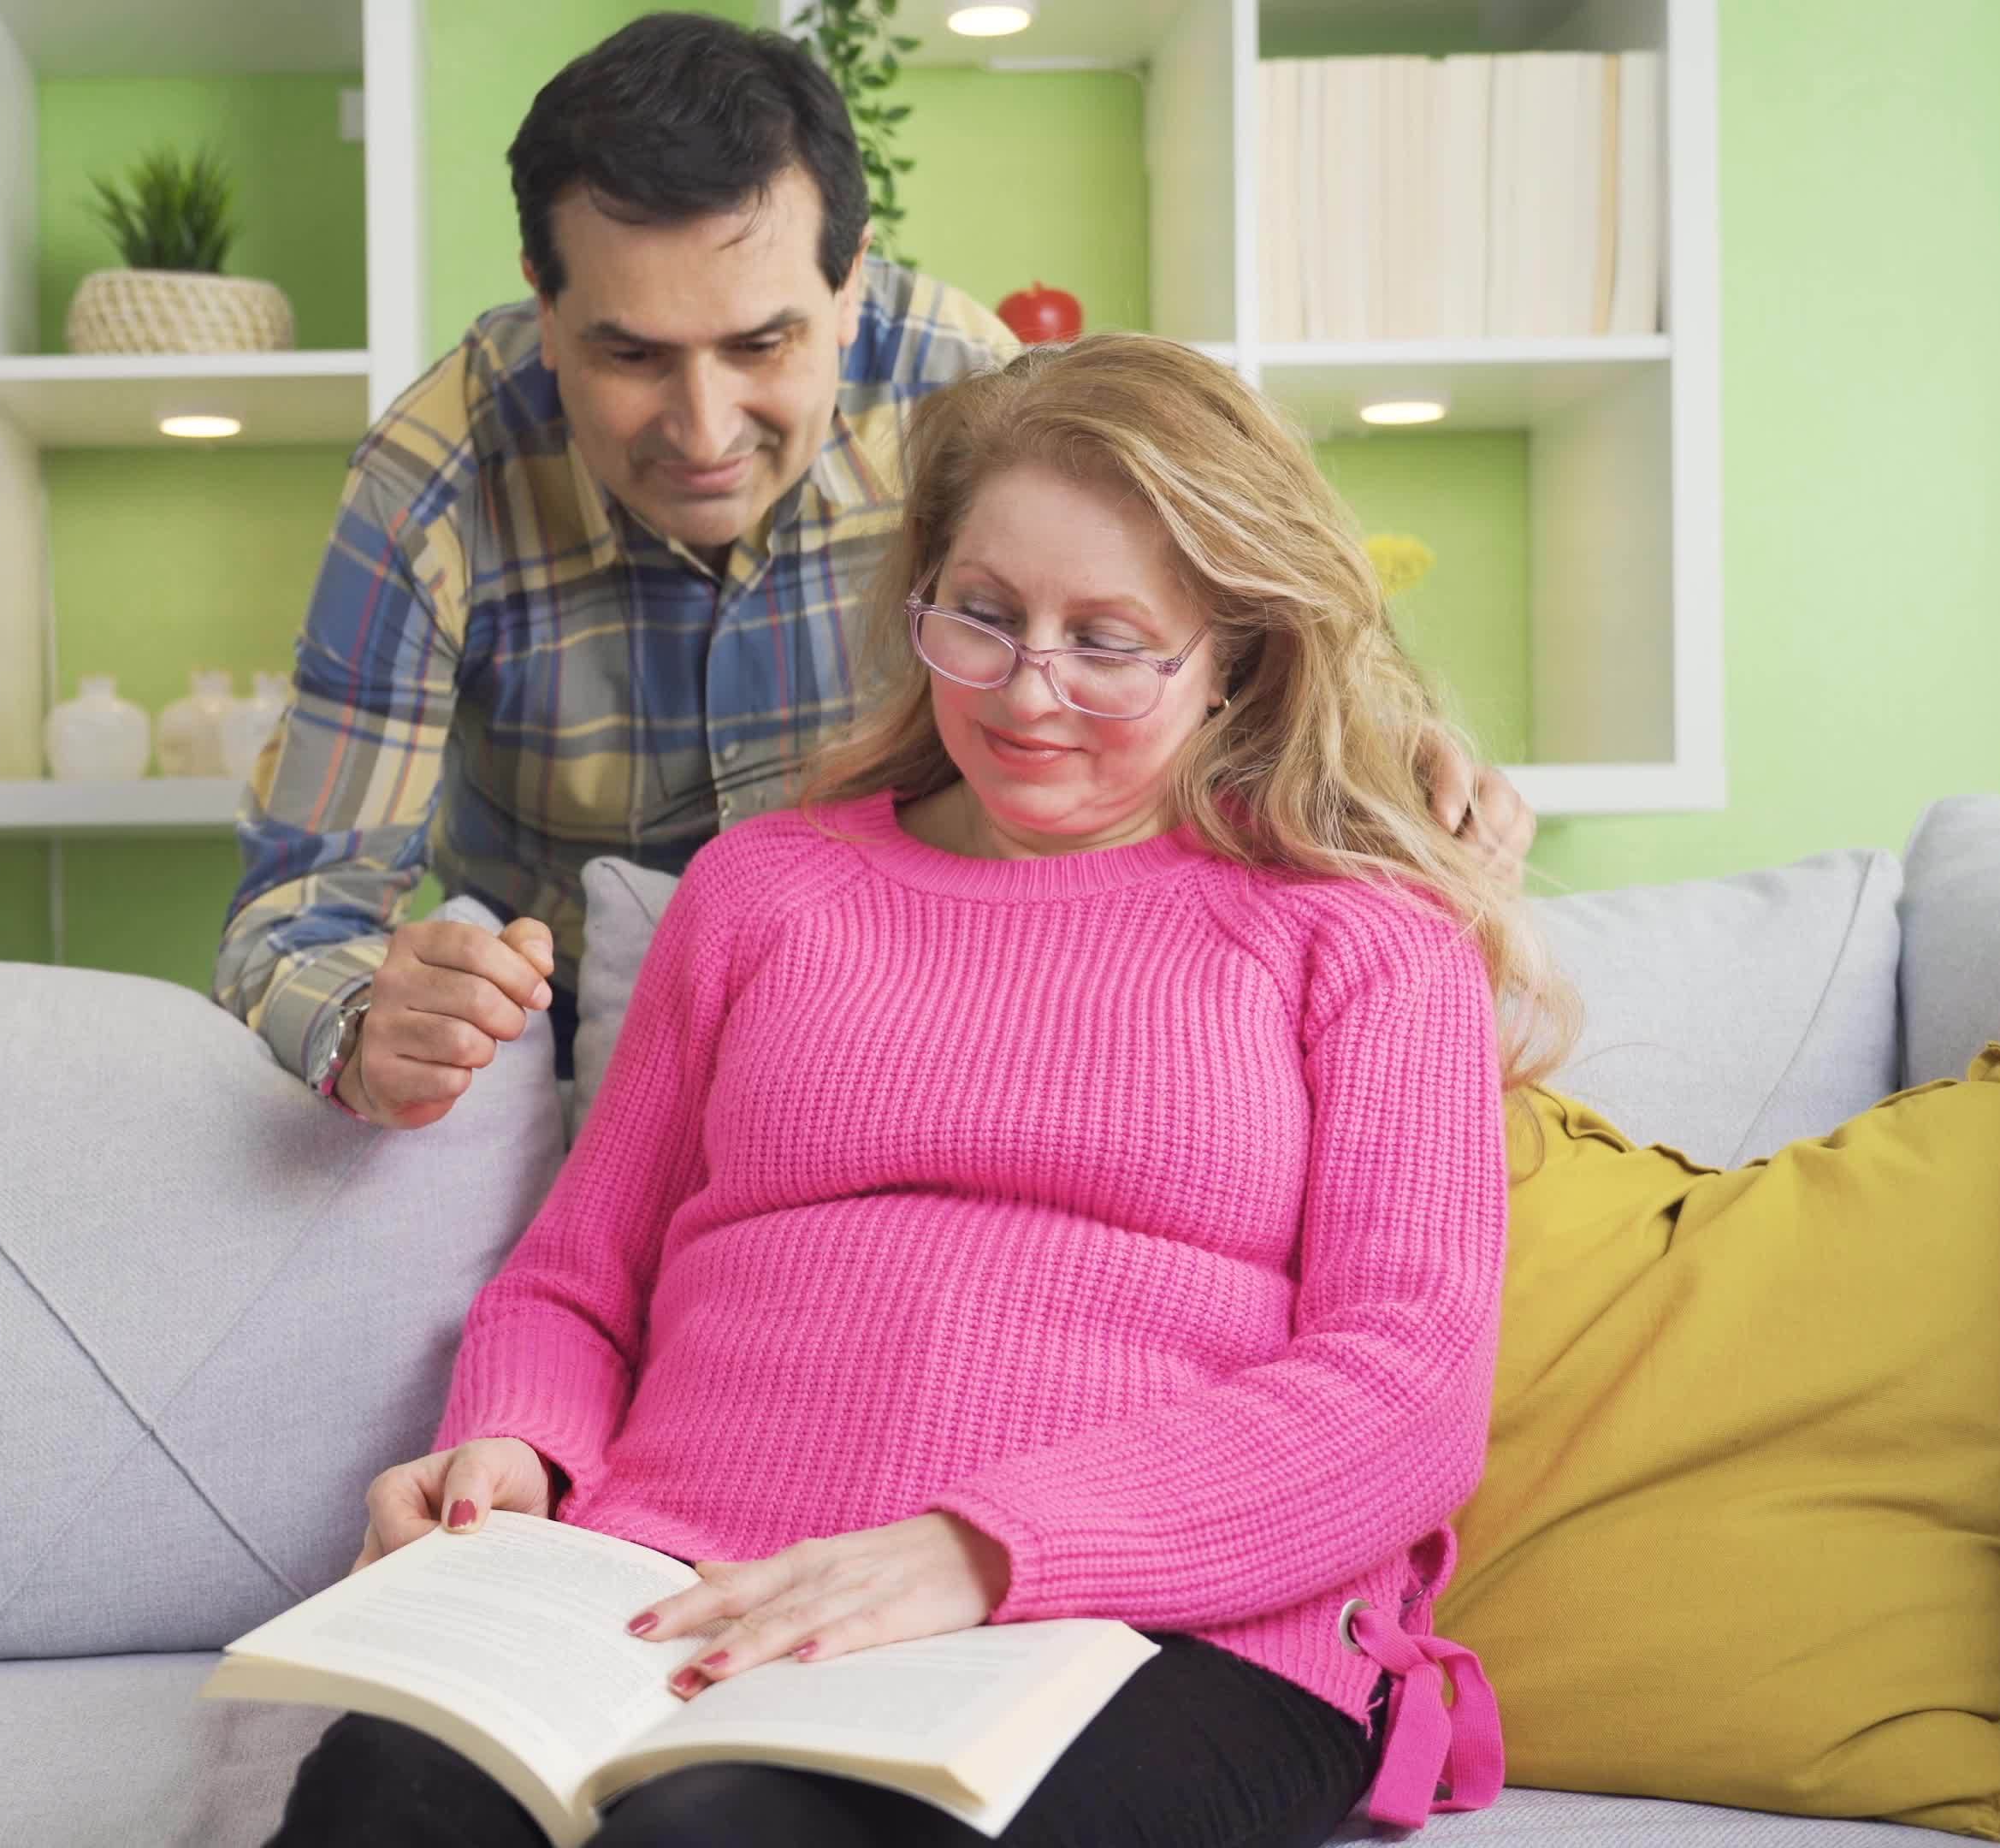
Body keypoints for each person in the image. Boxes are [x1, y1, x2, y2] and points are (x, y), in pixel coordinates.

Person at [258, 333, 1578, 1847]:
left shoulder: (1359, 936)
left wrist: (982, 1552)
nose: (1031, 692)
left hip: (1152, 1627)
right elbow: (575, 1284)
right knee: (382, 1795)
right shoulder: (764, 889)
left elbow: (1404, 1393)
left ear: (1237, 651)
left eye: (1110, 640)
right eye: (986, 618)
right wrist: (514, 1451)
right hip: (679, 1586)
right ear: (921, 599)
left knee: (724, 1836)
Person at [214, 12, 1535, 1132]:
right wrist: (363, 1021)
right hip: (569, 1056)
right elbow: (292, 917)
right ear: (541, 305)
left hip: (918, 1015)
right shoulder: (432, 477)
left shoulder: (965, 392)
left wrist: (1389, 763)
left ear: (852, 287)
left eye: (763, 344)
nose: (705, 428)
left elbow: (1203, 650)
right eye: (629, 355)